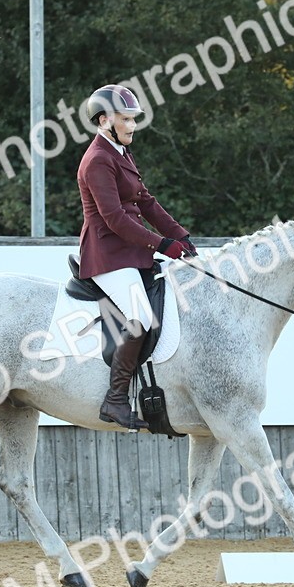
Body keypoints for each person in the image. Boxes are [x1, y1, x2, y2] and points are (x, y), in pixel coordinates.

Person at [76, 83, 196, 429]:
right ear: (103, 120)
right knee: (140, 318)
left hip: (130, 250)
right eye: (126, 119)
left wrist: (180, 235)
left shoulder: (120, 152)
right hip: (108, 255)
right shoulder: (98, 160)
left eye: (133, 119)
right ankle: (115, 400)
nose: (132, 126)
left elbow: (145, 202)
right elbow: (114, 219)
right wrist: (162, 245)